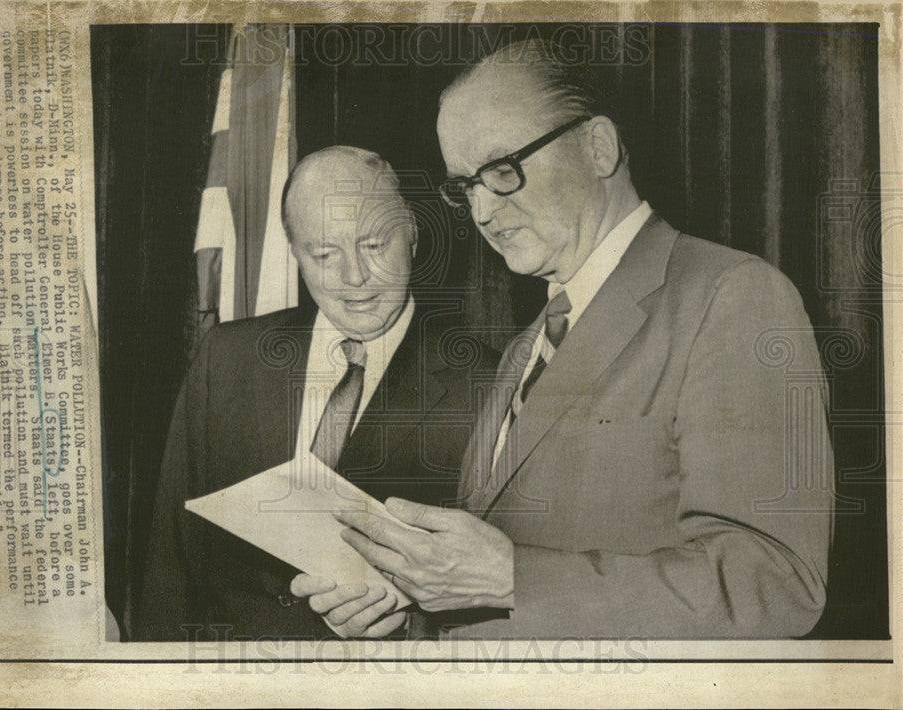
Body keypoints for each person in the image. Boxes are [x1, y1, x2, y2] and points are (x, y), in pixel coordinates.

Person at [300, 41, 835, 639]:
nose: (481, 210)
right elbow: (508, 580)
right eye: (465, 186)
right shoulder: (524, 348)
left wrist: (511, 579)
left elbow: (777, 583)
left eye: (503, 170)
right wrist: (413, 601)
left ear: (598, 146)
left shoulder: (730, 295)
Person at [132, 146, 497, 641]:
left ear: (412, 233)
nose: (355, 278)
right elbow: (170, 562)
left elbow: (500, 590)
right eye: (325, 254)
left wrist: (411, 617)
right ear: (295, 252)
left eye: (373, 245)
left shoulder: (488, 382)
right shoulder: (227, 357)